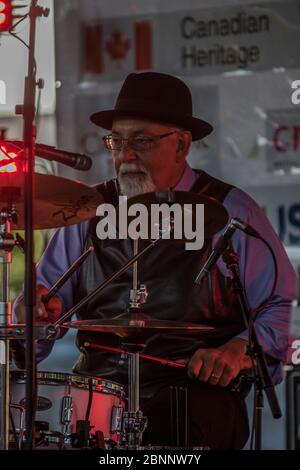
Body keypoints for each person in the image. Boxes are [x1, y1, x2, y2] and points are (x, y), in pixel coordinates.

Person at [13, 72, 297, 449]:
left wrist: (237, 351)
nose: (125, 154)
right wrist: (33, 312)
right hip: (99, 395)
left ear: (181, 145)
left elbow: (280, 304)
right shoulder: (86, 211)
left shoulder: (229, 211)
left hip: (194, 394)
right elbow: (47, 306)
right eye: (117, 141)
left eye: (142, 141)